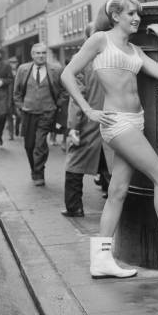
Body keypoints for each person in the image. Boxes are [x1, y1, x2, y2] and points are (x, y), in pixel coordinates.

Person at [61, 0, 158, 280]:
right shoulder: (100, 40)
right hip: (117, 122)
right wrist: (88, 110)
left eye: (138, 14)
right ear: (115, 16)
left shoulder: (135, 48)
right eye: (131, 14)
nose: (136, 18)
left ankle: (101, 260)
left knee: (117, 192)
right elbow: (67, 73)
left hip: (136, 120)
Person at [62, 23, 112, 217]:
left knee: (74, 165)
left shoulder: (80, 61)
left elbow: (77, 97)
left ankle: (74, 207)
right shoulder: (115, 57)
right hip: (113, 120)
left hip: (88, 122)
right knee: (110, 165)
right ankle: (117, 206)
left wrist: (73, 127)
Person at [13, 43, 68, 187]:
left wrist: (57, 105)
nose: (41, 56)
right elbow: (17, 92)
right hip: (28, 112)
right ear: (32, 55)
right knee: (29, 145)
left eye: (43, 53)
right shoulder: (23, 69)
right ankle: (34, 169)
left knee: (40, 143)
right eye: (37, 53)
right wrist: (20, 107)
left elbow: (64, 91)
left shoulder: (56, 70)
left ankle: (39, 173)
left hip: (47, 112)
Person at [5, 56, 20, 139]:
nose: (13, 64)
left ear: (17, 63)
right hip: (9, 97)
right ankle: (11, 134)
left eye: (14, 62)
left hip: (18, 97)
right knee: (9, 116)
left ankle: (17, 128)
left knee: (19, 116)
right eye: (11, 62)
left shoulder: (20, 71)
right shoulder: (6, 72)